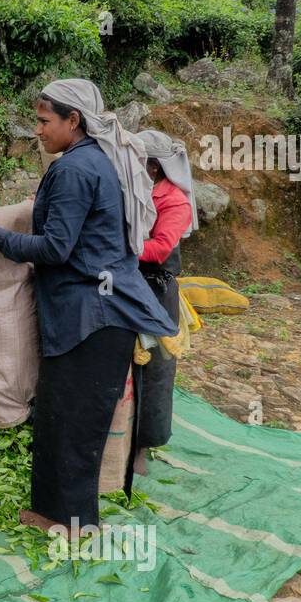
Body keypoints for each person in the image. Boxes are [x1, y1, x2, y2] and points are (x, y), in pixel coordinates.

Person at [0, 79, 175, 535]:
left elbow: (56, 248)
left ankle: (78, 524)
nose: (37, 130)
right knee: (58, 417)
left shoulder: (77, 169)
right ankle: (52, 513)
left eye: (44, 121)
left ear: (73, 121)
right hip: (82, 313)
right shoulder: (83, 163)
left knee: (76, 421)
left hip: (94, 317)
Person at [132, 129, 197, 476]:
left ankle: (143, 445)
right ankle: (119, 438)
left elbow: (159, 249)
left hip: (155, 291)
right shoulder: (136, 192)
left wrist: (113, 251)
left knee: (154, 369)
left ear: (154, 168)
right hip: (128, 283)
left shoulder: (174, 201)